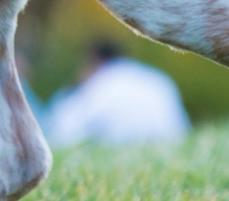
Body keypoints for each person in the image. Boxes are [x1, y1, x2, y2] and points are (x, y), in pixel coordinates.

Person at [44, 40, 189, 147]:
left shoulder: (100, 84)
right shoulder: (158, 79)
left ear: (94, 61)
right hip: (166, 145)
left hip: (119, 146)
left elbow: (64, 135)